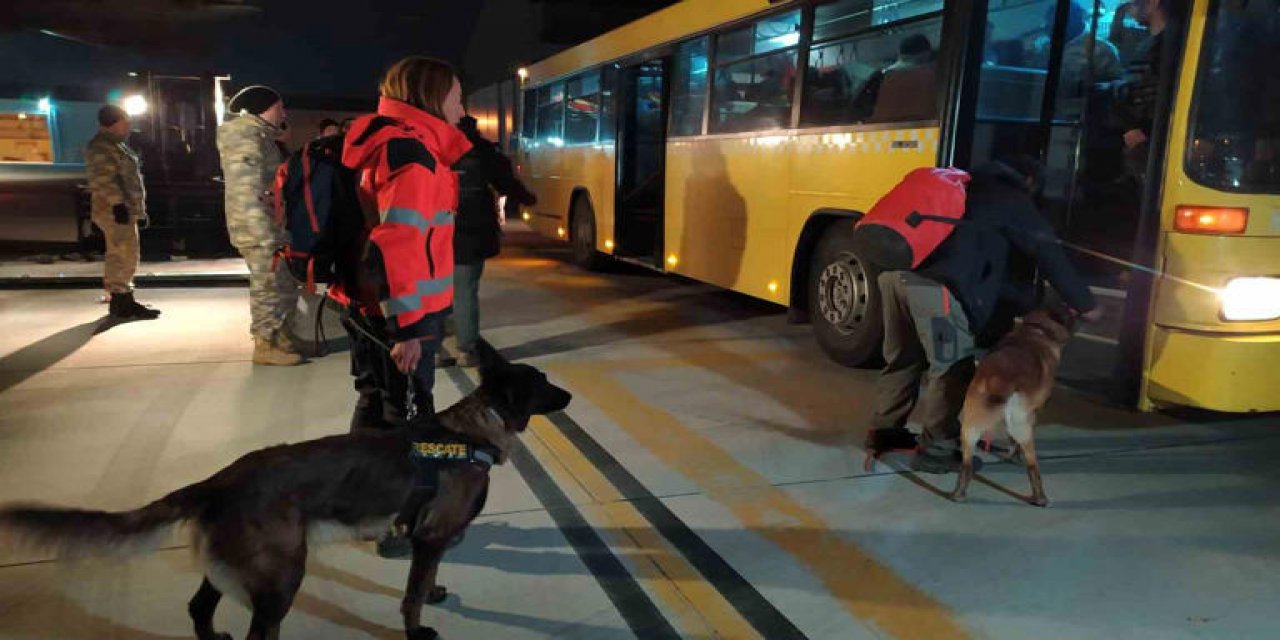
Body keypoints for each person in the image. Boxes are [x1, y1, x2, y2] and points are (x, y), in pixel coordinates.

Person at [865, 158, 1100, 474]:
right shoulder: (1011, 199)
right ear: (1029, 180)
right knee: (952, 368)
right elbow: (1048, 253)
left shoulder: (962, 189)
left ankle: (885, 433)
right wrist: (1084, 303)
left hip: (895, 276)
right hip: (936, 290)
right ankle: (937, 450)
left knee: (903, 358)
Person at [334, 56, 471, 558]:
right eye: (457, 97)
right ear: (432, 97)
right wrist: (408, 328)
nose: (463, 109)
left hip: (370, 305)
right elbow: (399, 243)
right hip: (403, 315)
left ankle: (359, 509)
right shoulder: (413, 155)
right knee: (408, 423)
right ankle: (401, 524)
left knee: (375, 405)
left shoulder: (385, 142)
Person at [217, 85, 304, 366]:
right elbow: (247, 188)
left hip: (270, 223)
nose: (284, 113)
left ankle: (284, 337)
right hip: (258, 225)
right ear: (264, 108)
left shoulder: (261, 135)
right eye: (280, 107)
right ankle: (265, 344)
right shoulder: (245, 135)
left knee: (283, 282)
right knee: (267, 284)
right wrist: (263, 231)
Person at [450, 115, 537, 366]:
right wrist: (528, 199)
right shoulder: (484, 152)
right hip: (471, 230)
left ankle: (431, 348)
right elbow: (507, 183)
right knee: (465, 290)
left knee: (433, 290)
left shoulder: (432, 147)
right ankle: (466, 349)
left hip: (436, 228)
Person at [85, 105, 160, 319]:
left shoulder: (117, 145)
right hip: (113, 211)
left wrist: (138, 211)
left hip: (125, 209)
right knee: (120, 254)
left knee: (128, 254)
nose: (128, 127)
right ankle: (120, 301)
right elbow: (103, 179)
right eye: (125, 122)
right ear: (114, 123)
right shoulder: (101, 147)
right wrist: (118, 205)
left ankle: (125, 297)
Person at [1114, 0, 1170, 184]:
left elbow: (1147, 92)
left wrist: (1135, 131)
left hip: (1148, 143)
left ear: (1153, 3)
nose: (1131, 8)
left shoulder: (1163, 47)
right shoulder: (1152, 44)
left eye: (1135, 2)